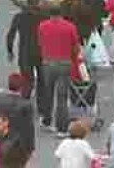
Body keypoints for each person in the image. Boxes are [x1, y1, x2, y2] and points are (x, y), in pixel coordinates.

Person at [37, 8, 83, 136]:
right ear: (62, 14)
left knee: (48, 92)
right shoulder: (69, 27)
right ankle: (61, 128)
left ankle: (46, 120)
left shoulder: (42, 26)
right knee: (62, 96)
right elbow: (76, 46)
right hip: (64, 62)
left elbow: (40, 43)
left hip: (47, 62)